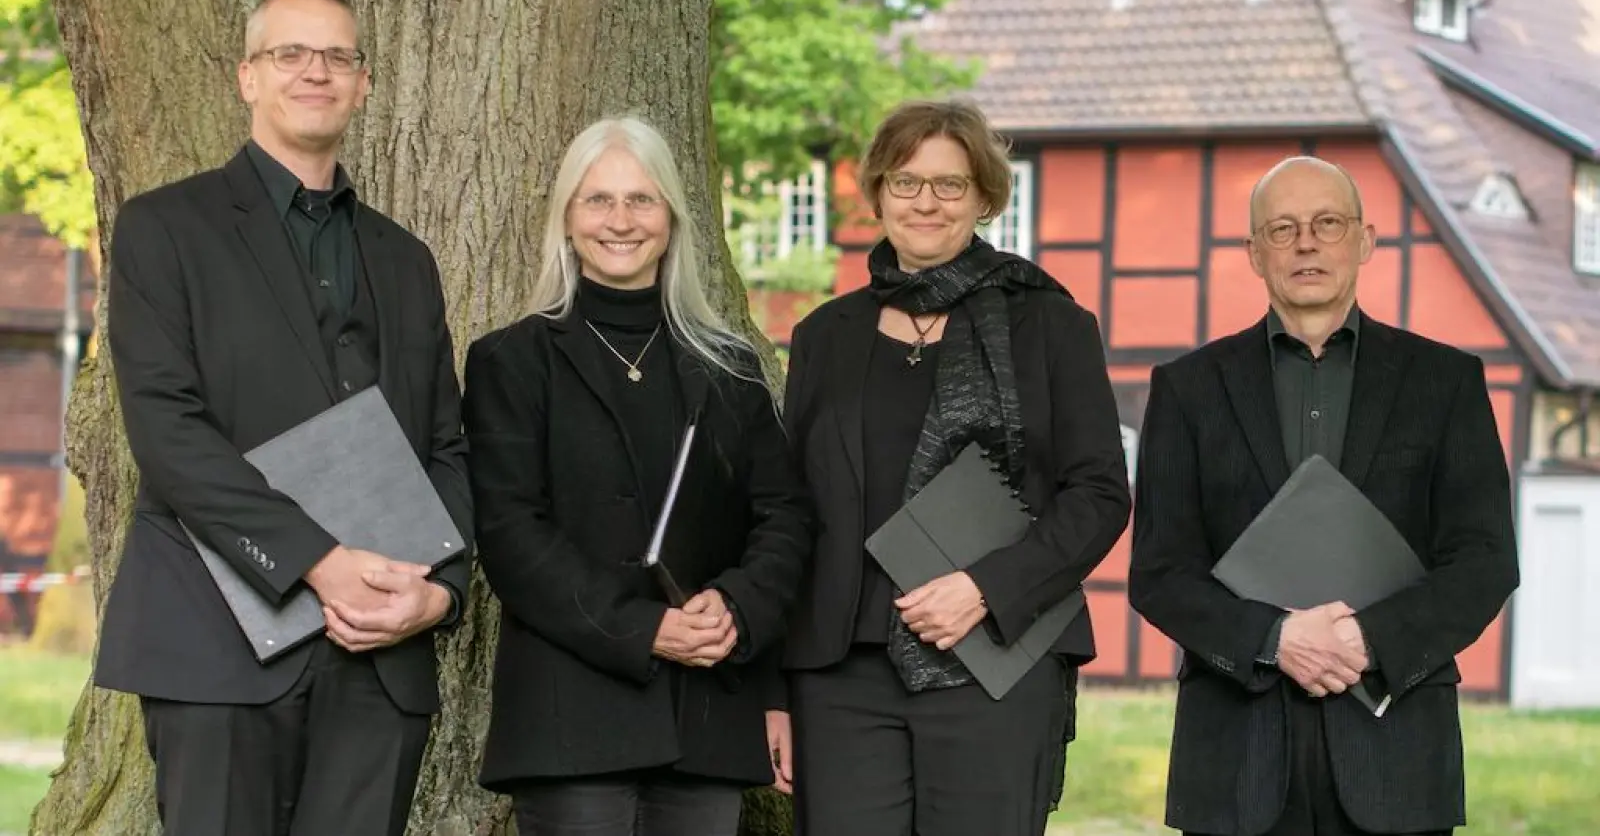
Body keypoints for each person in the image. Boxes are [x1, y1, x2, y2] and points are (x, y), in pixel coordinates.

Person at [93, 0, 474, 836]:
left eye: (338, 56)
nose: (317, 72)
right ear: (247, 78)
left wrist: (439, 595)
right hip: (215, 643)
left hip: (383, 655)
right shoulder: (165, 228)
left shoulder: (405, 259)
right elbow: (168, 433)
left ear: (364, 83)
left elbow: (445, 446)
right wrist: (318, 560)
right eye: (290, 54)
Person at [1128, 156, 1520, 836]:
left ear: (1365, 241)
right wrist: (1275, 640)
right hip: (1235, 763)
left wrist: (1367, 640)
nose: (1306, 242)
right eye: (1282, 228)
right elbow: (1160, 573)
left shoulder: (1446, 382)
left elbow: (1484, 560)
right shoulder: (1186, 389)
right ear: (1254, 253)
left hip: (1397, 755)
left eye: (1327, 223)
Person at [774, 99, 1132, 836]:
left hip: (995, 657)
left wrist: (984, 588)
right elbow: (788, 515)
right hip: (840, 677)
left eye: (950, 185)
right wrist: (772, 693)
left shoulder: (1051, 326)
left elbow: (1098, 493)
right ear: (876, 193)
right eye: (906, 183)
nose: (926, 203)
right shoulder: (824, 337)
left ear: (984, 198)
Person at [463, 115, 813, 836]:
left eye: (641, 200)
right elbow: (509, 533)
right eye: (598, 200)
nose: (620, 220)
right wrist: (643, 629)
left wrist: (738, 607)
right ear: (567, 217)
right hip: (571, 720)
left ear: (673, 218)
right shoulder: (512, 361)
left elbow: (785, 517)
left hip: (706, 719)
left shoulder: (731, 369)